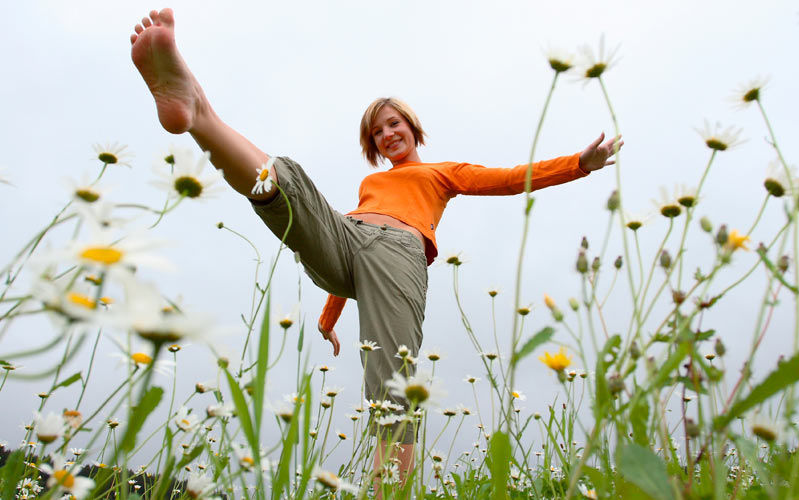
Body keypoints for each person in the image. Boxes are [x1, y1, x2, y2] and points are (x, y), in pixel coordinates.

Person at [129, 7, 623, 486]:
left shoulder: (441, 173)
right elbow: (348, 264)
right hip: (351, 234)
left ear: (411, 127)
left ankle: (390, 489)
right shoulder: (370, 184)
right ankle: (197, 114)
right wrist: (327, 320)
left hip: (399, 252)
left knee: (391, 385)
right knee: (289, 182)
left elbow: (513, 179)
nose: (387, 134)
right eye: (377, 131)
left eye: (394, 124)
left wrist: (580, 164)